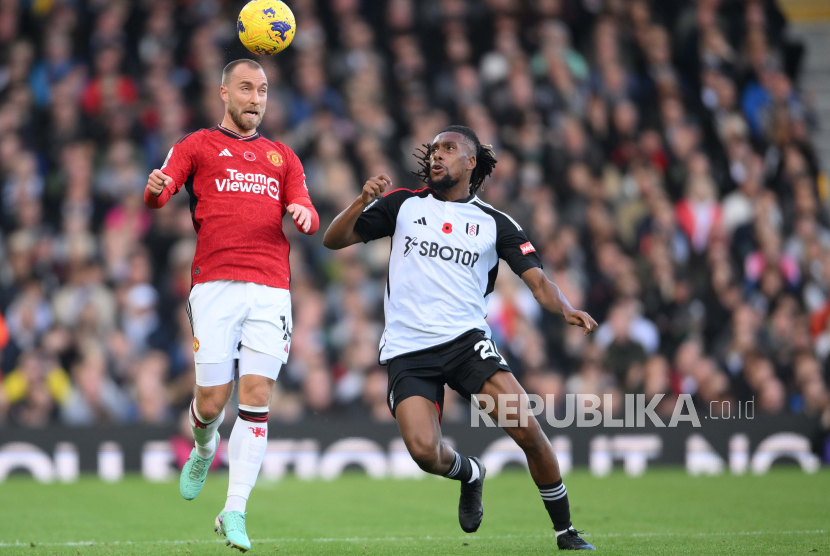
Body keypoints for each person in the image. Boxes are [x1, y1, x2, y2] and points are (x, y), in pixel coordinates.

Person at [323, 125, 597, 550]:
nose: (436, 155)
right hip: (409, 350)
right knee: (424, 452)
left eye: (448, 149)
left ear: (471, 162)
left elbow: (539, 283)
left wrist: (566, 309)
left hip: (467, 345)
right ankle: (470, 473)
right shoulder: (403, 205)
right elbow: (333, 239)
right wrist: (362, 201)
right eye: (433, 149)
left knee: (528, 430)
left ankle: (566, 531)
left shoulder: (494, 223)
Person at [144, 58, 319, 552]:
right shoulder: (198, 144)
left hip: (270, 287)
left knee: (257, 395)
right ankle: (204, 445)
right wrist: (155, 189)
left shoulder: (282, 156)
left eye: (262, 90)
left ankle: (235, 509)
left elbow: (305, 205)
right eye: (246, 88)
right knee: (210, 402)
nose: (255, 98)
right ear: (224, 93)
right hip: (214, 285)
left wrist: (304, 213)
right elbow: (159, 193)